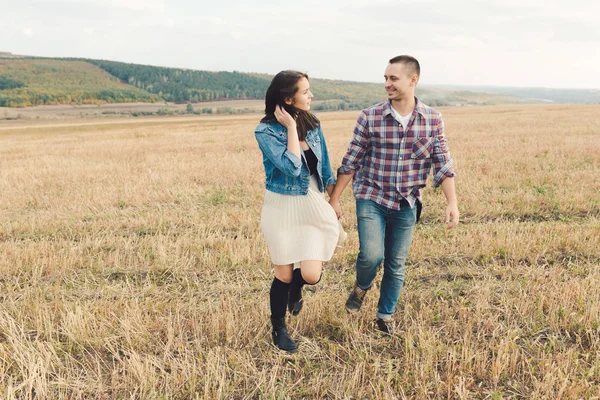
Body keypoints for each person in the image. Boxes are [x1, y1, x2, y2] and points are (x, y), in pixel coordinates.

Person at [329, 55, 459, 334]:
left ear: (413, 80)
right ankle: (362, 286)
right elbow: (351, 161)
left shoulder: (433, 119)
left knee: (396, 264)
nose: (387, 84)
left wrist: (452, 202)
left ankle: (384, 317)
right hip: (371, 196)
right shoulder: (370, 117)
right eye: (385, 78)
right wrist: (335, 199)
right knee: (372, 256)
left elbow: (443, 163)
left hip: (407, 201)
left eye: (393, 78)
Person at [255, 70, 344, 352]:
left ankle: (297, 288)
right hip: (281, 207)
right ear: (287, 97)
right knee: (282, 273)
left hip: (312, 204)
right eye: (305, 92)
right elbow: (293, 167)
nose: (310, 96)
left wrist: (335, 199)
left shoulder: (314, 124)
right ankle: (279, 328)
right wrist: (292, 129)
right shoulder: (265, 131)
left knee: (311, 275)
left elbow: (326, 167)